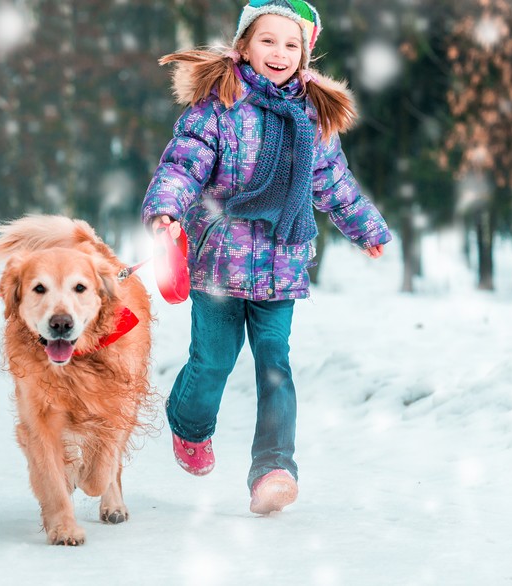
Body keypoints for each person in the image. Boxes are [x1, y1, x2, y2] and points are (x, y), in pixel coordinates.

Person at [141, 0, 391, 515]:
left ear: (305, 54)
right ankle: (188, 422)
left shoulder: (312, 120)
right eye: (268, 40)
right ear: (244, 46)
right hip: (219, 265)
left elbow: (332, 183)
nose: (279, 52)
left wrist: (365, 226)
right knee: (213, 361)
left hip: (282, 265)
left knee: (275, 363)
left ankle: (274, 469)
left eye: (291, 44)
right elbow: (184, 164)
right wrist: (167, 209)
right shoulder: (218, 107)